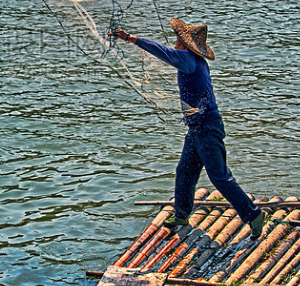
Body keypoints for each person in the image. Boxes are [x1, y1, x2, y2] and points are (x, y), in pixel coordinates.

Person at [110, 18, 265, 239]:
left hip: (206, 127)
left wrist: (131, 38)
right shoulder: (196, 61)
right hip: (197, 128)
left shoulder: (188, 59)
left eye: (178, 38)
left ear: (184, 43)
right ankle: (182, 214)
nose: (175, 41)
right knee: (185, 171)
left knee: (220, 177)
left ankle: (253, 214)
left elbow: (162, 52)